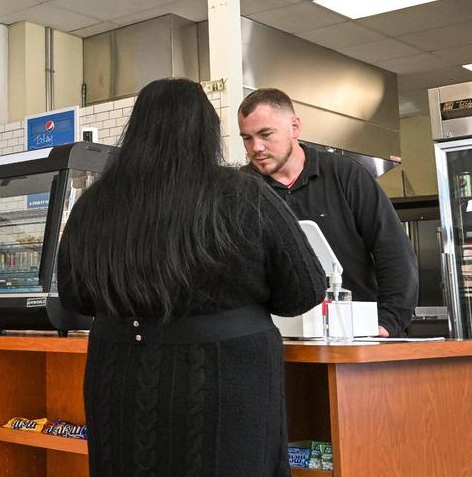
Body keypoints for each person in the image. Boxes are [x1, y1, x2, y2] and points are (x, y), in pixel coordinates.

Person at [56, 78, 326, 477]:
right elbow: (305, 288)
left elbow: (75, 296)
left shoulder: (96, 203)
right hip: (226, 382)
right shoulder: (244, 194)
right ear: (207, 131)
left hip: (119, 375)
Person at [237, 88, 419, 336]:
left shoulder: (345, 175)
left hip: (356, 335)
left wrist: (389, 322)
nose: (256, 147)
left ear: (295, 127)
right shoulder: (239, 190)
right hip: (276, 338)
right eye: (247, 138)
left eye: (265, 134)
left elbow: (393, 251)